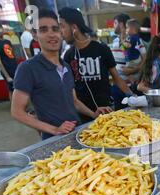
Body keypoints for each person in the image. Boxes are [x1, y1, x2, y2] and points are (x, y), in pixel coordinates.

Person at [11, 8, 103, 140]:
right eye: (43, 30)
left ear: (60, 33)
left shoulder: (65, 66)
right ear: (35, 35)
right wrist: (54, 129)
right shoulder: (28, 68)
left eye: (55, 29)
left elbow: (74, 101)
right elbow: (17, 112)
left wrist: (94, 114)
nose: (51, 34)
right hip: (54, 139)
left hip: (78, 132)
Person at [59, 7, 133, 118]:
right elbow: (72, 95)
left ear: (74, 28)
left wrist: (134, 97)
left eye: (62, 26)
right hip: (83, 115)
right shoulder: (68, 56)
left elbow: (117, 79)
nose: (60, 32)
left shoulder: (102, 49)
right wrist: (93, 115)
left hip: (107, 111)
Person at [0, 21, 18, 101]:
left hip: (14, 68)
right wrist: (7, 76)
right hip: (7, 70)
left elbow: (12, 56)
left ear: (2, 29)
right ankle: (15, 109)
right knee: (12, 90)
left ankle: (21, 107)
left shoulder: (7, 41)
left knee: (18, 89)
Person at [123, 19, 144, 83]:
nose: (126, 30)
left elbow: (127, 46)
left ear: (132, 28)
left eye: (127, 28)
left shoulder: (133, 38)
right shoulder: (136, 38)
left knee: (128, 71)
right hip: (134, 59)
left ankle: (133, 80)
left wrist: (122, 41)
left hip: (133, 60)